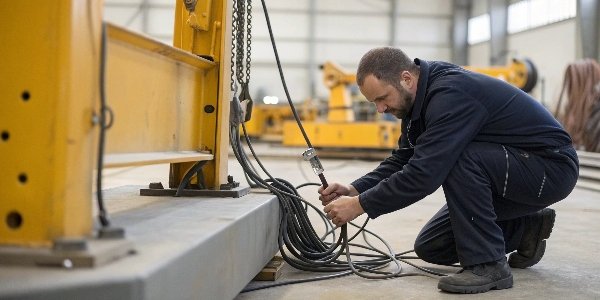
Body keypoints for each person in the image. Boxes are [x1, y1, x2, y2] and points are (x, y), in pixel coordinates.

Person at [319, 47, 579, 294]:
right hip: (515, 169)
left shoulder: (450, 95)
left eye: (382, 98)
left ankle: (489, 265)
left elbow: (423, 174)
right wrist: (355, 189)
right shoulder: (416, 102)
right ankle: (525, 227)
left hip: (550, 167)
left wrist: (359, 205)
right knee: (432, 246)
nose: (380, 109)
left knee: (461, 158)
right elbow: (404, 158)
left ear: (406, 78)